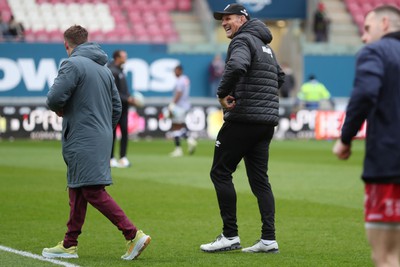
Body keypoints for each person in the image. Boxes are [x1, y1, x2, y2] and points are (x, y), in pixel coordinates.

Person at [43, 25, 150, 260]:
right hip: (100, 135)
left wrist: (63, 111)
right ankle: (69, 244)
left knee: (91, 190)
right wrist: (102, 127)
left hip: (82, 136)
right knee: (78, 188)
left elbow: (53, 98)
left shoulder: (71, 64)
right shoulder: (104, 70)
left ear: (66, 44)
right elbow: (117, 107)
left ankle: (133, 234)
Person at [200, 4, 285, 253]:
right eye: (222, 19)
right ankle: (268, 239)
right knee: (260, 181)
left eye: (228, 18)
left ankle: (230, 236)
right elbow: (280, 78)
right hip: (265, 123)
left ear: (242, 18)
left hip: (243, 119)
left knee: (220, 172)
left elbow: (237, 66)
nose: (224, 22)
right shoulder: (266, 46)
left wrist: (223, 93)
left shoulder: (242, 41)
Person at [333, 5, 400, 267]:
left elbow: (364, 95)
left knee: (387, 257)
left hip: (390, 164)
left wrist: (345, 139)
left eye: (367, 28)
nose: (363, 37)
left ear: (385, 23)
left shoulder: (376, 52)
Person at [108, 50, 135, 168]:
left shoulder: (120, 70)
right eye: (124, 56)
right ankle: (110, 158)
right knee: (112, 134)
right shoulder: (112, 70)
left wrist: (129, 98)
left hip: (124, 108)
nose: (126, 58)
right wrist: (127, 98)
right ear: (117, 57)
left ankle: (123, 157)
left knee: (124, 132)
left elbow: (123, 90)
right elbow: (113, 91)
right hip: (114, 108)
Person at [167, 64, 197, 157]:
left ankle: (179, 149)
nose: (174, 73)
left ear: (179, 70)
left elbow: (179, 93)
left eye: (175, 70)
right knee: (180, 126)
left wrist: (172, 104)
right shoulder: (185, 79)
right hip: (185, 105)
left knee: (175, 126)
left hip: (179, 106)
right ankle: (189, 140)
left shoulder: (180, 81)